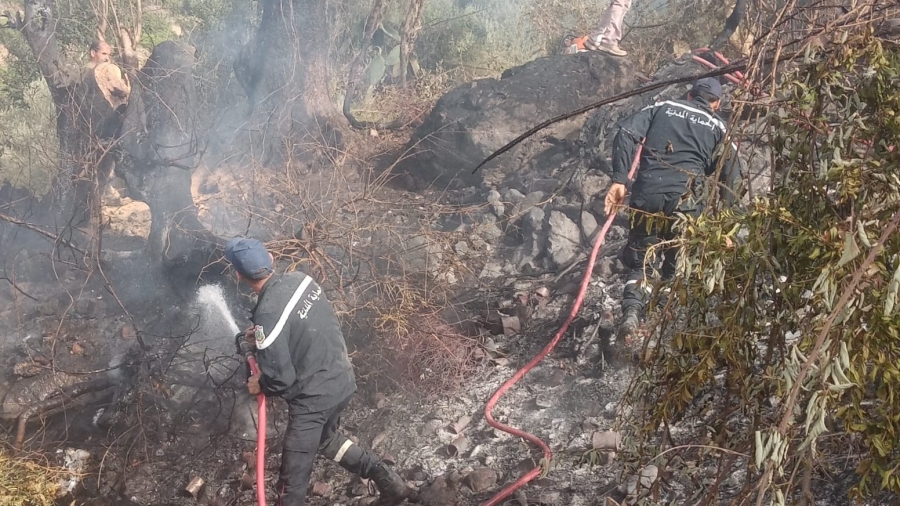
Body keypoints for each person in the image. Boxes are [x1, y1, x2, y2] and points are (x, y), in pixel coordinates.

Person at [225, 237, 412, 506]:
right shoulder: (302, 280)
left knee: (291, 485)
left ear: (239, 275)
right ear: (271, 259)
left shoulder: (267, 315)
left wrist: (259, 383)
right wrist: (264, 342)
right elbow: (300, 327)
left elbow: (280, 379)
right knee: (326, 440)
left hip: (313, 400)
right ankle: (388, 480)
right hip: (342, 380)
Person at [603, 77, 741, 340]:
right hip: (686, 204)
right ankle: (657, 329)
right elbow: (733, 176)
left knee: (641, 261)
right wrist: (729, 224)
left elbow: (625, 132)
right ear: (717, 103)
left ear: (689, 95)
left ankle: (631, 315)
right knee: (674, 266)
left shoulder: (663, 106)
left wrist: (619, 180)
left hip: (648, 195)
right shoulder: (720, 127)